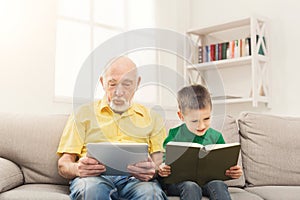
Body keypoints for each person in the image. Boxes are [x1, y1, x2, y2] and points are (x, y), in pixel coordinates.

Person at [57, 57, 167, 200]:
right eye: (112, 84)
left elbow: (160, 163)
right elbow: (63, 164)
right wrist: (77, 168)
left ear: (137, 83)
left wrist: (153, 170)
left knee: (151, 195)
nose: (119, 92)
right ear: (103, 82)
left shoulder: (153, 118)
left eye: (126, 84)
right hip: (94, 179)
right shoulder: (82, 114)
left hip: (137, 181)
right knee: (91, 191)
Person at [158, 84, 243, 200]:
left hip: (207, 182)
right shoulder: (174, 134)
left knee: (218, 185)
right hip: (180, 183)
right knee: (191, 186)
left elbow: (224, 165)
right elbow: (164, 161)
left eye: (206, 119)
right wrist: (162, 168)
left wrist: (233, 172)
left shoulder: (216, 136)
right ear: (181, 116)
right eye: (194, 121)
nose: (201, 125)